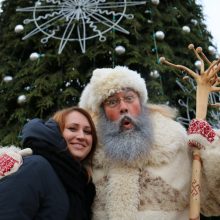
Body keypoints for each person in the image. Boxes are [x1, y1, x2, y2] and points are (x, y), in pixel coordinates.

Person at [78, 66, 220, 220]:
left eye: (129, 98)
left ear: (141, 103)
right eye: (112, 102)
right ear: (102, 113)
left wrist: (211, 147)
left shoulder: (177, 144)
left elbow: (214, 202)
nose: (123, 107)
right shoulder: (90, 155)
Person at [0, 106, 97, 220]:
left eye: (87, 132)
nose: (81, 136)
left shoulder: (83, 186)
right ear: (57, 133)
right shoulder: (36, 167)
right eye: (72, 128)